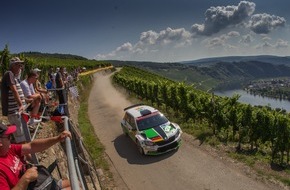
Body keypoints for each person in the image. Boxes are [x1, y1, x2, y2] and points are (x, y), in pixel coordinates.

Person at [0, 122, 72, 189]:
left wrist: (57, 138)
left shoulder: (8, 149)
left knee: (74, 183)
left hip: (41, 182)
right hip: (37, 186)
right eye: (9, 137)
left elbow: (31, 146)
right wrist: (26, 179)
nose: (11, 139)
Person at [1, 57, 27, 143]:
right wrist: (21, 105)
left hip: (17, 111)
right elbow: (14, 90)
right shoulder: (9, 74)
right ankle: (24, 154)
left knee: (21, 134)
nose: (20, 67)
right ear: (13, 65)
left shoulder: (13, 76)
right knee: (20, 136)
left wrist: (24, 100)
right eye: (19, 65)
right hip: (14, 111)